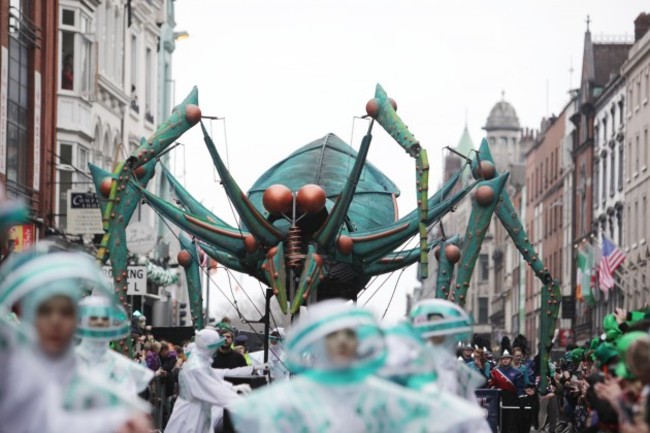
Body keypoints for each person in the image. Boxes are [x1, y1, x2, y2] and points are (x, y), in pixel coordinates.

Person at [227, 299, 487, 433]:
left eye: (349, 335)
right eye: (333, 335)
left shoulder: (380, 391)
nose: (342, 342)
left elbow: (436, 411)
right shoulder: (290, 397)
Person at [0, 243, 151, 433]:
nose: (56, 322)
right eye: (45, 311)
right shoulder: (11, 371)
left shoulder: (97, 391)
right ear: (30, 314)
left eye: (66, 312)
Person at [165, 328, 251, 433]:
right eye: (215, 345)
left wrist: (232, 388)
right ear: (209, 347)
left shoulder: (199, 362)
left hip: (196, 411)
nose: (217, 348)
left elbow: (213, 377)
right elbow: (213, 389)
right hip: (190, 415)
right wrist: (242, 403)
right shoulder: (196, 367)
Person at [76, 295, 154, 395]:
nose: (99, 323)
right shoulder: (65, 361)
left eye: (104, 319)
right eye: (94, 318)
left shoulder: (124, 366)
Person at [491, 350, 527, 433]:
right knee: (500, 422)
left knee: (511, 422)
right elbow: (492, 386)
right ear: (501, 360)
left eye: (507, 358)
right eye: (503, 359)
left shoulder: (517, 372)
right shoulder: (495, 372)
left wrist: (521, 398)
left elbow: (519, 388)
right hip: (498, 400)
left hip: (511, 400)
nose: (505, 360)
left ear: (510, 360)